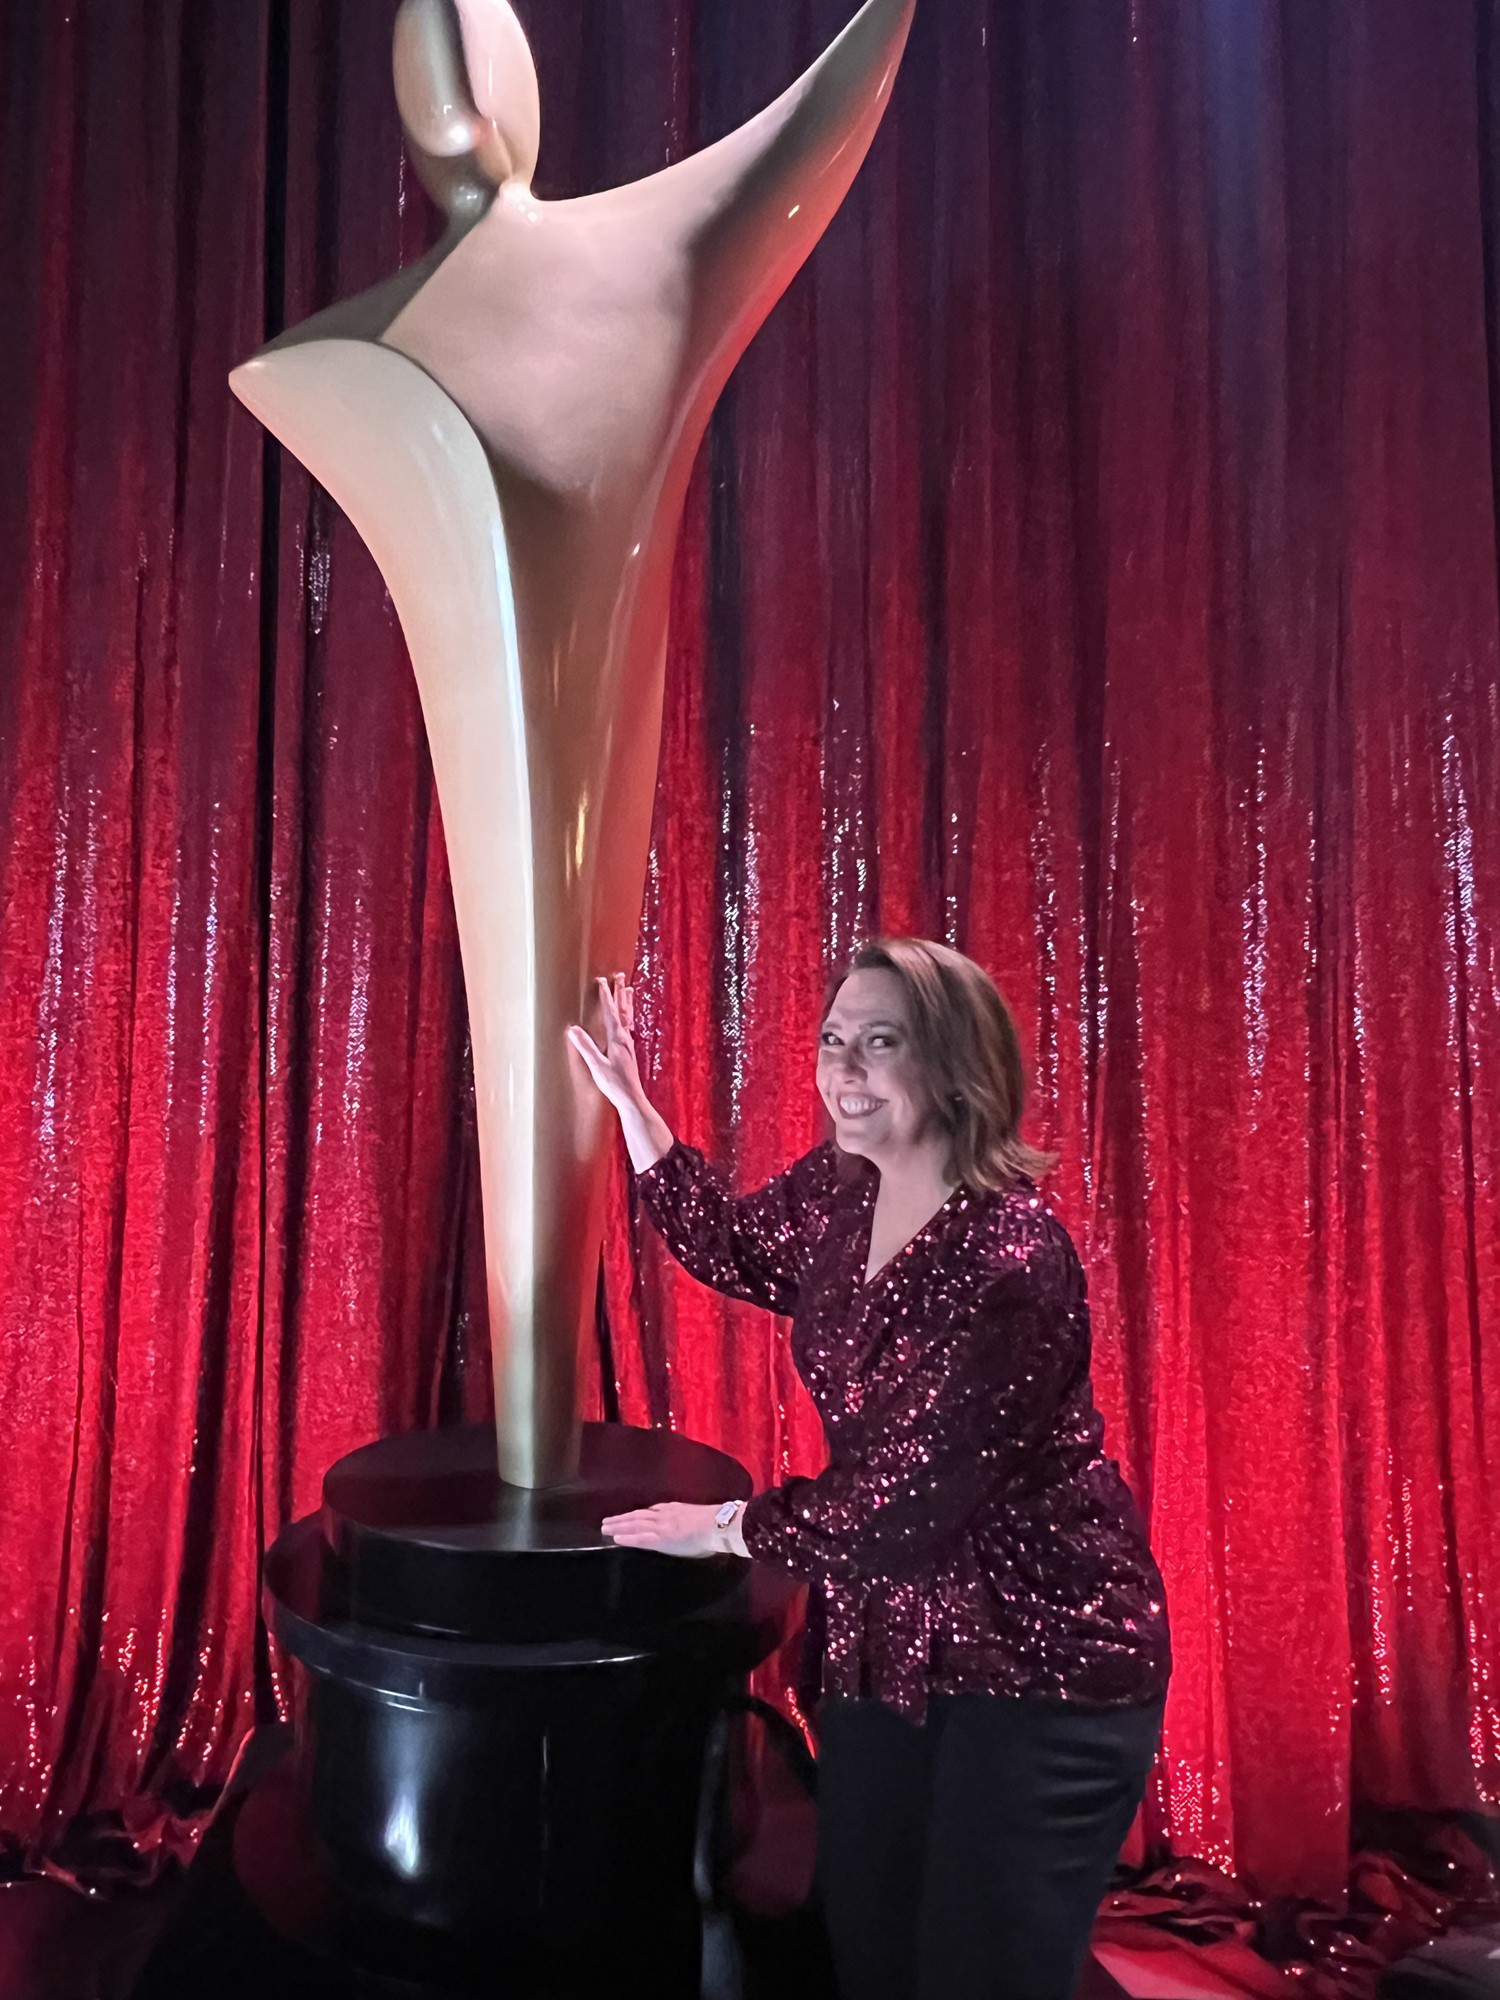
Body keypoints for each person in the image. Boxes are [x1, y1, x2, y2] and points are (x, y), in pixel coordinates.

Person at [567, 937, 1170, 2000]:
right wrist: (633, 1106)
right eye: (833, 1039)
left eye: (879, 1043)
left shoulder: (1010, 1260)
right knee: (875, 1952)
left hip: (1041, 1662)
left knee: (977, 1974)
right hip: (889, 1651)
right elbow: (735, 1242)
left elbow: (897, 1503)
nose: (843, 1070)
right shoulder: (840, 1192)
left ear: (952, 1062)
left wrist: (720, 1527)